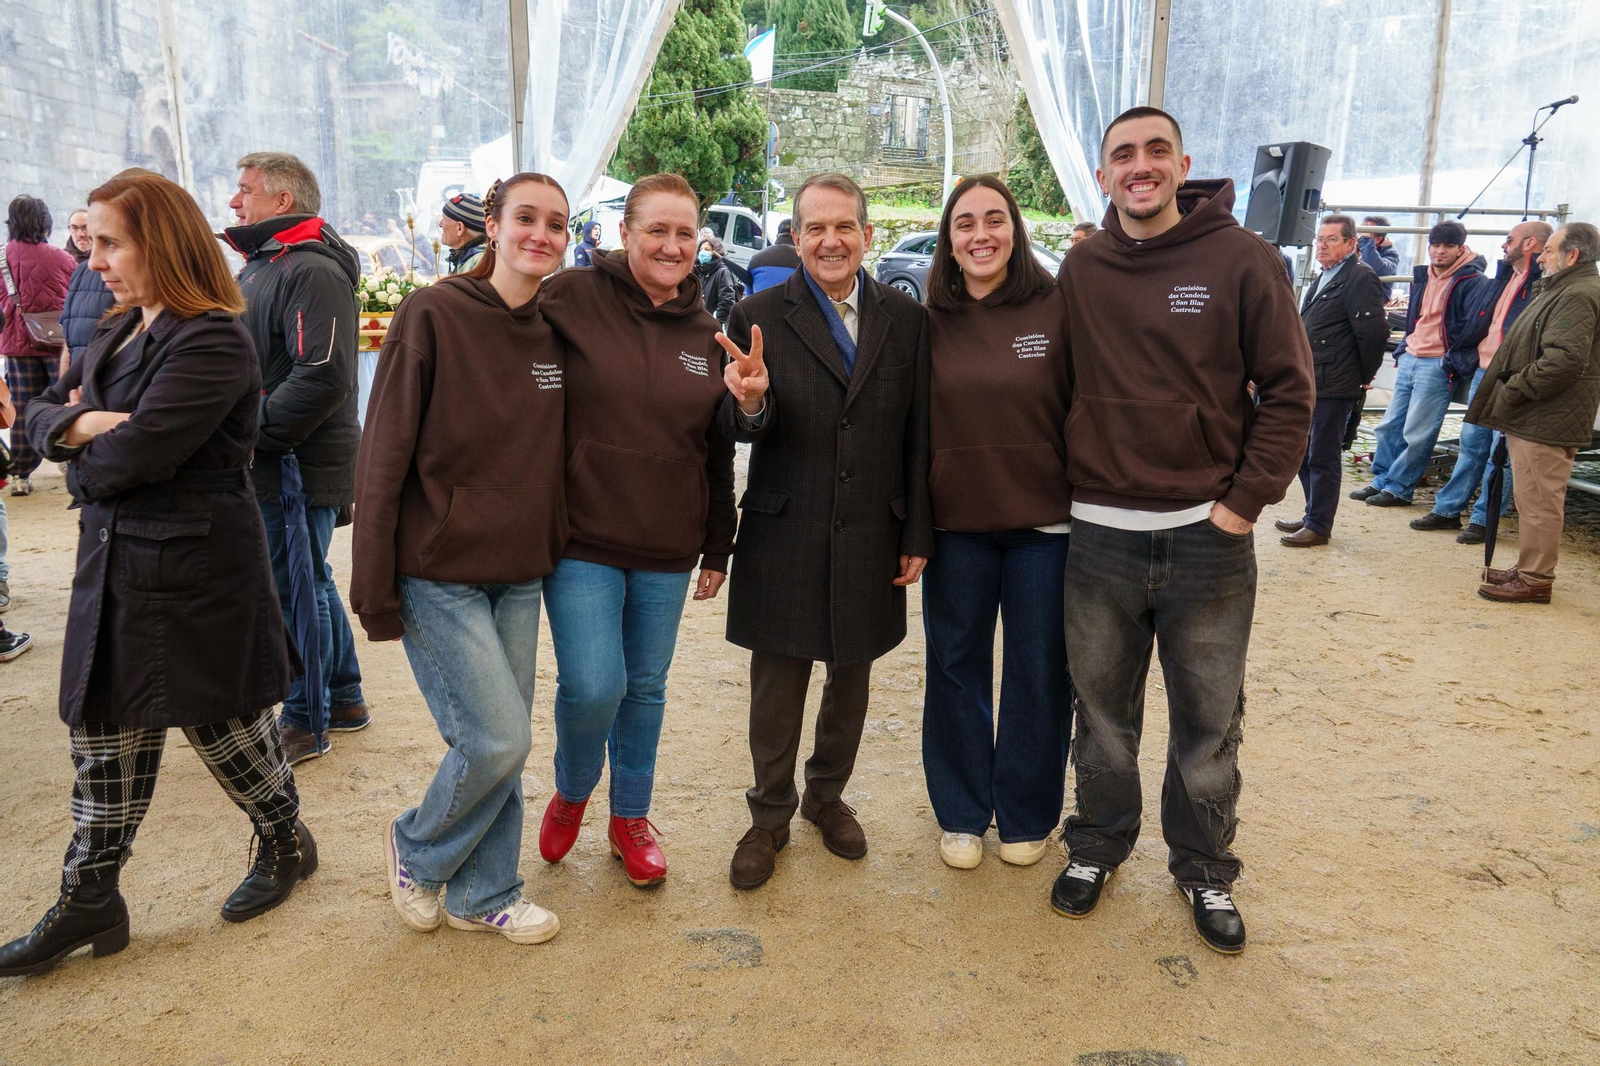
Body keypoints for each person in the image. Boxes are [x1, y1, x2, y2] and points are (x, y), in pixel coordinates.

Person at [0, 171, 312, 978]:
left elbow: (128, 458)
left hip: (198, 573)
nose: (91, 257)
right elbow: (39, 423)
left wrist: (80, 443)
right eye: (91, 240)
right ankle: (90, 895)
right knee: (103, 735)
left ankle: (285, 838)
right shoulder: (119, 325)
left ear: (160, 242)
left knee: (228, 729)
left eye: (110, 242)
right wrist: (82, 428)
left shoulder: (212, 337)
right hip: (116, 566)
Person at [1051, 107, 1313, 954]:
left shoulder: (1243, 260)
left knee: (1208, 719)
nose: (1140, 166)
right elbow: (1052, 389)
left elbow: (1290, 391)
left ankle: (1202, 865)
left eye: (1155, 151)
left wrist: (1244, 500)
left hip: (1208, 538)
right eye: (1122, 154)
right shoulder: (1082, 268)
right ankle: (1097, 845)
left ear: (1183, 164)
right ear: (1102, 175)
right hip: (1098, 536)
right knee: (1101, 715)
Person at [352, 173, 572, 945]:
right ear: (493, 223)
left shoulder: (555, 329)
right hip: (436, 573)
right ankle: (416, 848)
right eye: (526, 218)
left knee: (503, 739)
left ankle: (485, 893)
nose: (540, 234)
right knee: (496, 739)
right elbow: (383, 454)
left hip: (518, 572)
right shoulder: (433, 313)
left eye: (556, 223)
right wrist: (373, 583)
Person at [716, 172, 933, 891]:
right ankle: (769, 815)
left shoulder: (906, 319)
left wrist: (919, 531)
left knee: (852, 675)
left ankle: (826, 796)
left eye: (844, 227)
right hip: (787, 526)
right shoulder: (758, 315)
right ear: (797, 237)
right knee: (777, 682)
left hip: (875, 528)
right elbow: (742, 426)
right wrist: (750, 403)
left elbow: (918, 433)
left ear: (868, 236)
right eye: (815, 228)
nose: (830, 241)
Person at [535, 173, 737, 888]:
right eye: (657, 229)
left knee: (645, 687)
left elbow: (714, 447)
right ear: (625, 233)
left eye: (685, 233)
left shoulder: (708, 331)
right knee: (594, 685)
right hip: (582, 537)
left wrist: (719, 544)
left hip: (667, 545)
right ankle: (572, 788)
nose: (672, 245)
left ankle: (630, 817)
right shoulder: (570, 298)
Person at [918, 175, 1071, 871]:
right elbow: (910, 434)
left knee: (1039, 671)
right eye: (964, 223)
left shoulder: (1057, 308)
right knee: (955, 668)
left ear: (1016, 229)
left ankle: (1027, 813)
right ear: (948, 240)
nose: (980, 234)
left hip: (1045, 527)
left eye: (994, 220)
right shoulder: (925, 320)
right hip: (956, 526)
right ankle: (960, 811)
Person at [224, 151, 367, 764]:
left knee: (294, 586)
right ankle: (343, 694)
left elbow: (321, 375)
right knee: (309, 577)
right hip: (282, 456)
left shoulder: (309, 269)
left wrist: (250, 432)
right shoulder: (269, 263)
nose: (235, 202)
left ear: (283, 202)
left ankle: (307, 717)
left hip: (292, 462)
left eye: (245, 190)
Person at [1467, 222, 1600, 604]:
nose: (1540, 257)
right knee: (1533, 498)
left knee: (1539, 500)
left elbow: (1564, 359)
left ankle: (1535, 579)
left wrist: (1515, 388)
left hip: (1545, 414)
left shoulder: (1576, 293)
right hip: (1541, 412)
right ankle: (1529, 569)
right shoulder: (1567, 288)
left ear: (1571, 255)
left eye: (1549, 250)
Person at [1410, 221, 1550, 543]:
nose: (1504, 245)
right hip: (1484, 370)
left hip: (1512, 375)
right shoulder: (1506, 276)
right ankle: (1448, 510)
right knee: (1472, 444)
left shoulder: (1542, 282)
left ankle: (1484, 518)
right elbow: (1481, 320)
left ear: (1529, 244)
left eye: (1509, 239)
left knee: (1499, 452)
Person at [1353, 220, 1485, 509]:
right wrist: (1404, 348)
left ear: (1461, 248)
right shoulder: (1425, 274)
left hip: (1437, 362)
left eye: (1448, 246)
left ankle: (1400, 487)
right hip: (1413, 355)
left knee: (1418, 431)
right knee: (1389, 426)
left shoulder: (1472, 280)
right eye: (1435, 245)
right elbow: (1417, 315)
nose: (1440, 251)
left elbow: (1474, 324)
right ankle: (1383, 479)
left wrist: (1450, 359)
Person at [1275, 214, 1388, 547]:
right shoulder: (1327, 274)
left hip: (1335, 381)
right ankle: (1313, 514)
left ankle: (1319, 525)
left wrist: (1363, 377)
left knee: (1323, 455)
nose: (1322, 246)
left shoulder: (1359, 278)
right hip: (1313, 378)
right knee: (1304, 452)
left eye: (1331, 240)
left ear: (1352, 244)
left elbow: (1373, 333)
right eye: (1319, 240)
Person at [1, 194, 75, 496]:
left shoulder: (1, 257)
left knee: (20, 407)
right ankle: (68, 458)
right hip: (58, 344)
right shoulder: (62, 257)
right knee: (61, 402)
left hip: (18, 345)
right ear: (45, 223)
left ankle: (20, 473)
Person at [60, 198, 122, 374]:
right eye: (74, 228)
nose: (80, 234)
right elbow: (68, 341)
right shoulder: (79, 271)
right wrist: (63, 390)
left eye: (109, 242)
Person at [439, 192, 488, 275]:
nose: (440, 224)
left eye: (444, 219)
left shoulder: (476, 263)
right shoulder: (474, 256)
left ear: (459, 228)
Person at [697, 237, 740, 325]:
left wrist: (717, 322)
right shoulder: (702, 271)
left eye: (707, 249)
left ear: (715, 253)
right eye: (701, 249)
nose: (702, 252)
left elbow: (726, 300)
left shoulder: (723, 272)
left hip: (713, 324)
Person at [748, 218, 800, 292]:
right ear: (797, 237)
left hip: (760, 302)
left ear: (777, 236)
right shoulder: (804, 260)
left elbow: (748, 295)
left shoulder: (756, 258)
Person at [1358, 216, 1402, 298]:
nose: (1360, 235)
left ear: (1378, 239)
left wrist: (1366, 240)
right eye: (1360, 230)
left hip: (1372, 301)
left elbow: (1372, 267)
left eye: (1366, 232)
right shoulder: (1352, 249)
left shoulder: (1391, 255)